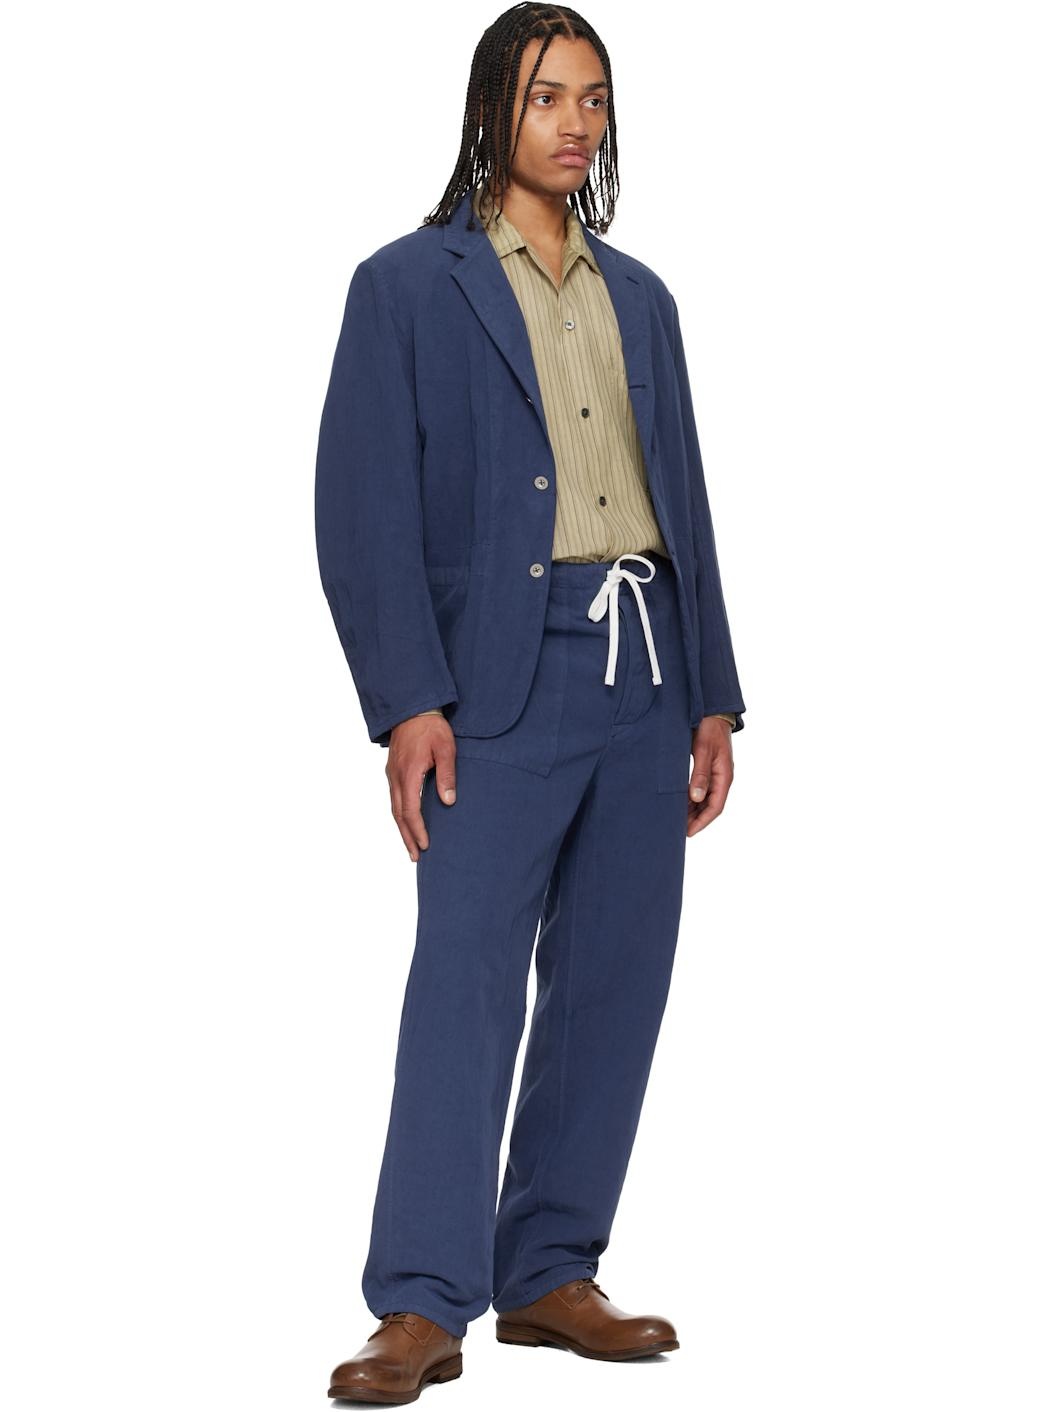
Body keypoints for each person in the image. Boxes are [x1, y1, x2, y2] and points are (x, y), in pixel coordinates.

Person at [314, 3, 747, 1401]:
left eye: (594, 99)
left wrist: (712, 695)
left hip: (644, 666)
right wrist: (407, 700)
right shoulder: (405, 286)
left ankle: (552, 1270)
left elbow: (686, 502)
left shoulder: (644, 298)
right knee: (466, 981)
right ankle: (421, 1300)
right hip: (492, 678)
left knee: (616, 977)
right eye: (548, 95)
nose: (574, 122)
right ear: (493, 109)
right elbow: (361, 507)